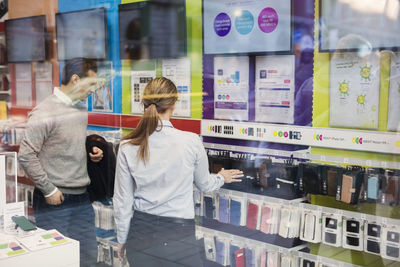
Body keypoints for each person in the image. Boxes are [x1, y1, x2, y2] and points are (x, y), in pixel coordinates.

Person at [113, 77, 243, 266]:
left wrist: (122, 239)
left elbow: (122, 200)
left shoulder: (128, 145)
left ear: (144, 103)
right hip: (177, 233)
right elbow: (205, 184)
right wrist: (221, 177)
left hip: (140, 231)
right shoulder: (190, 141)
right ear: (174, 104)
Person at [18, 58, 103, 267]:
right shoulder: (45, 111)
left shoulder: (80, 109)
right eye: (90, 84)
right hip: (55, 201)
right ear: (75, 80)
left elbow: (65, 142)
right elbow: (26, 154)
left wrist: (89, 150)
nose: (93, 90)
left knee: (89, 258)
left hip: (82, 198)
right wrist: (48, 189)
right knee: (57, 261)